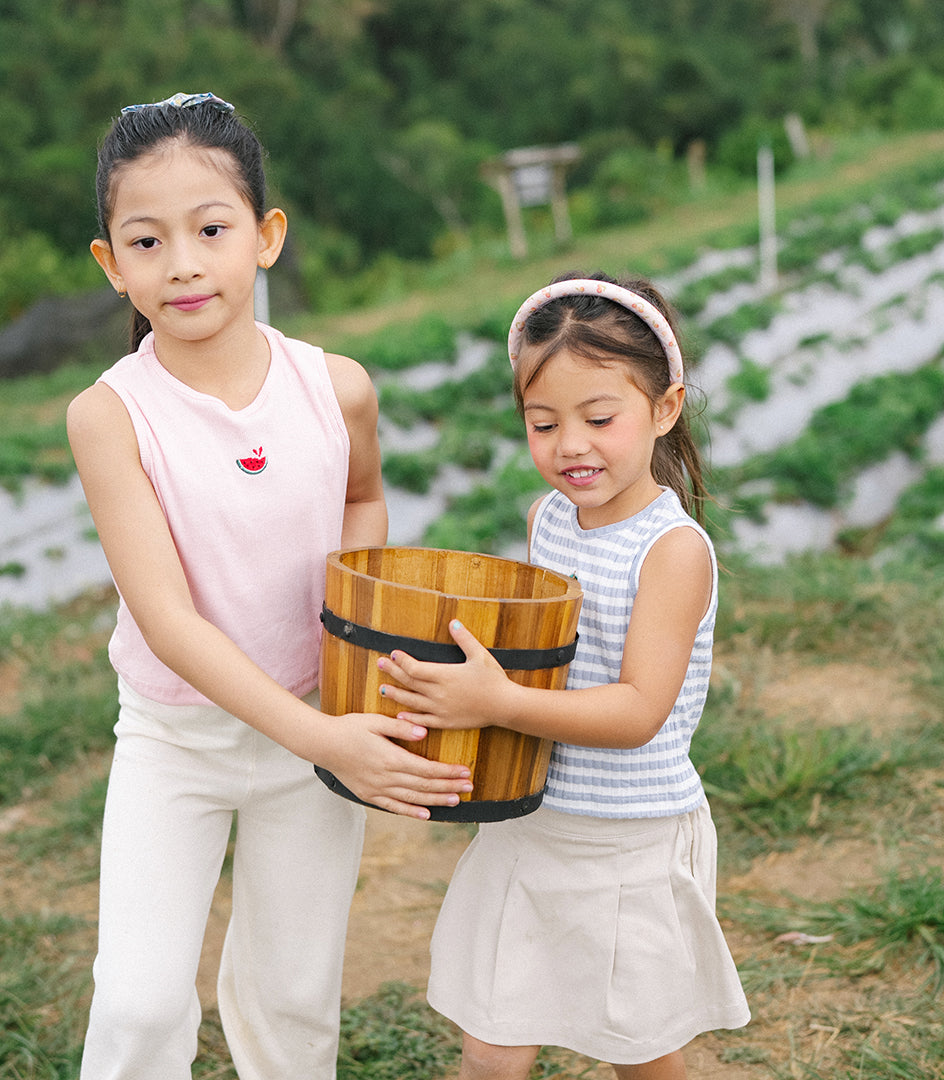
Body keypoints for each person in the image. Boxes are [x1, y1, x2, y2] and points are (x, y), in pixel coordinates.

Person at [66, 91, 472, 1080]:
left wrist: (352, 652)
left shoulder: (336, 387)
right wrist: (325, 738)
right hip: (178, 742)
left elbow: (364, 503)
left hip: (311, 723)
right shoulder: (111, 417)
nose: (184, 264)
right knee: (139, 1000)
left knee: (294, 997)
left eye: (211, 229)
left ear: (266, 236)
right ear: (112, 265)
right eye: (147, 242)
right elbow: (165, 622)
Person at [378, 273, 751, 1079]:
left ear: (665, 408)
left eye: (599, 418)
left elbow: (639, 710)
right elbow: (538, 652)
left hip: (627, 842)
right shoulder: (546, 519)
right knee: (491, 1046)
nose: (570, 445)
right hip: (531, 825)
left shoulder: (673, 552)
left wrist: (499, 699)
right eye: (543, 423)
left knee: (641, 1053)